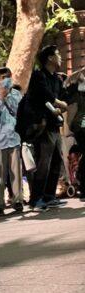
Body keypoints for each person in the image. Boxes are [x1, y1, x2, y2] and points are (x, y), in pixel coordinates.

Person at [24, 45, 68, 210]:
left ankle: (49, 196)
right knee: (44, 163)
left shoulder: (56, 78)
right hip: (43, 125)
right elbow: (45, 96)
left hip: (55, 124)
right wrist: (59, 104)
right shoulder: (38, 75)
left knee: (56, 162)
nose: (60, 56)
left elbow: (62, 97)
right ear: (49, 58)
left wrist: (62, 104)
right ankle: (36, 200)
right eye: (57, 54)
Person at [0, 67, 24, 217]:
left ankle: (17, 200)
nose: (6, 79)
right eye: (3, 77)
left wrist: (8, 97)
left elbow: (18, 112)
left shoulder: (16, 94)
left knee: (16, 173)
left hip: (14, 138)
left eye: (8, 76)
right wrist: (1, 98)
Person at [63, 67, 85, 198]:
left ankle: (82, 185)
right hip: (80, 127)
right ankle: (82, 185)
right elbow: (71, 113)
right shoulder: (76, 93)